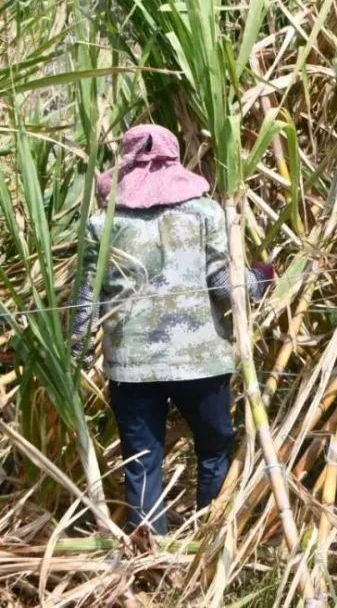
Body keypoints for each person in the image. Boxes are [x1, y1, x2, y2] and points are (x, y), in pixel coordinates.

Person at [72, 124, 274, 534]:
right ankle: (210, 537)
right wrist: (262, 278)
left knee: (141, 461)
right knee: (214, 449)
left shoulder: (102, 224)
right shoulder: (206, 213)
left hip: (132, 366)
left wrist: (74, 354)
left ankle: (152, 559)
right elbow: (224, 286)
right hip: (200, 362)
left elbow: (85, 302)